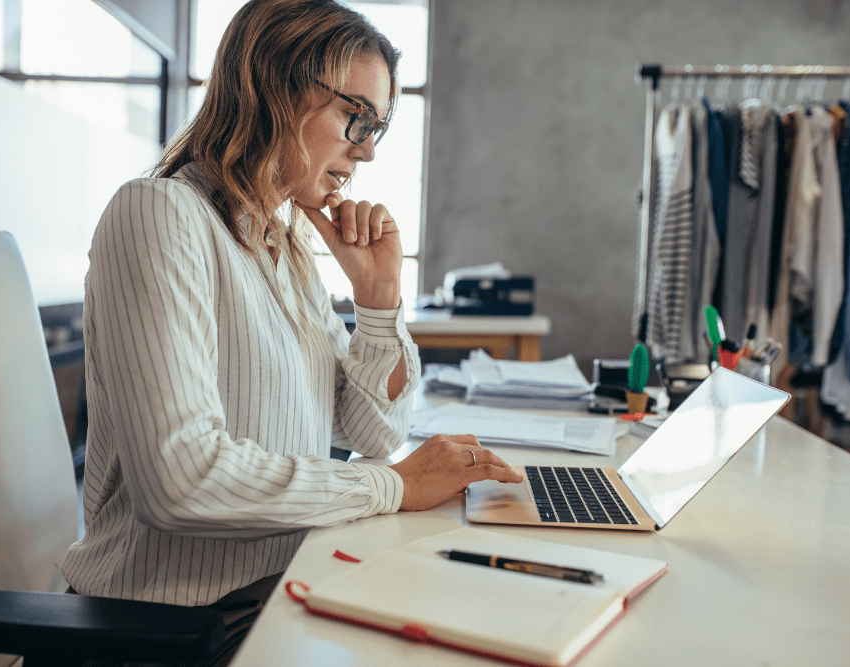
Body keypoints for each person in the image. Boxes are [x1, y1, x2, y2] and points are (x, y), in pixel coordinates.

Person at [60, 0, 522, 662]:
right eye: (355, 116)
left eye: (377, 127)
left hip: (281, 593)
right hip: (170, 630)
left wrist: (379, 299)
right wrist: (389, 485)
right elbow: (182, 478)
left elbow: (371, 430)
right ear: (274, 86)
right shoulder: (159, 214)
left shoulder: (288, 246)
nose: (364, 148)